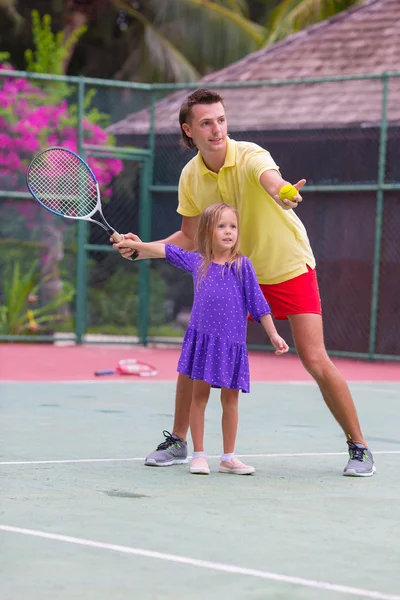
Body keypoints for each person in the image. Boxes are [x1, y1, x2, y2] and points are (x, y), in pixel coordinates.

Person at [116, 88, 375, 477]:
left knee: (314, 357)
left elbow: (271, 180)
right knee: (194, 357)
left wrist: (284, 192)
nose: (216, 129)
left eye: (221, 120)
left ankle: (359, 447)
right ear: (190, 130)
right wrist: (144, 248)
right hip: (229, 275)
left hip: (286, 264)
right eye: (206, 123)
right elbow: (188, 236)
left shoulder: (251, 154)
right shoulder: (191, 176)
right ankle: (178, 442)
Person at [114, 203, 289, 475]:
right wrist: (136, 245)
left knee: (230, 402)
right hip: (203, 343)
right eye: (221, 227)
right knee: (199, 399)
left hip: (232, 347)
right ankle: (199, 455)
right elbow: (166, 250)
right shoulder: (198, 262)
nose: (228, 232)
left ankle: (228, 457)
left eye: (233, 226)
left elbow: (259, 304)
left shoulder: (243, 266)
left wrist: (274, 334)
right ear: (208, 232)